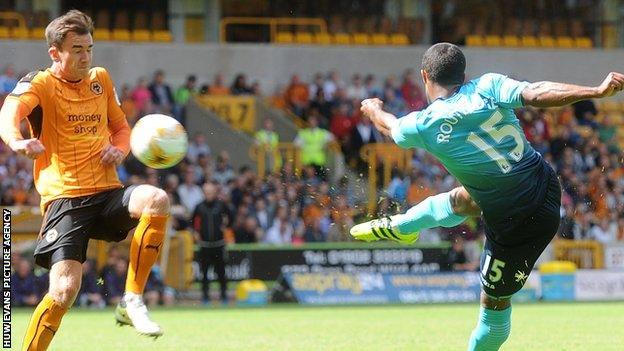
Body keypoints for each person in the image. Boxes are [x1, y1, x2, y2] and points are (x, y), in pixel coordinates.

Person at [350, 43, 624, 351]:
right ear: (463, 75)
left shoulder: (424, 124)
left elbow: (390, 126)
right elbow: (535, 92)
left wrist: (372, 108)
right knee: (467, 198)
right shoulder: (488, 85)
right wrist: (595, 91)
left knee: (492, 312)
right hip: (545, 186)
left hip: (517, 227)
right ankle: (404, 227)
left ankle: (405, 227)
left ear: (424, 75)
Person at [0, 10, 171, 348]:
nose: (85, 56)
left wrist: (120, 150)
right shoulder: (40, 83)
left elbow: (121, 128)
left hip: (107, 191)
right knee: (63, 291)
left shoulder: (100, 79)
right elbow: (10, 112)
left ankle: (132, 300)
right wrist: (16, 140)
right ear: (55, 53)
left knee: (157, 199)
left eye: (89, 48)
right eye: (77, 49)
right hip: (65, 199)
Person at [192, 182, 234, 304]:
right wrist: (196, 232)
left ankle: (224, 296)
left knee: (221, 272)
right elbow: (193, 222)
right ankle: (205, 296)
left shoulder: (221, 205)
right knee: (204, 273)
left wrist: (225, 227)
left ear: (215, 192)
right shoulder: (199, 207)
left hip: (219, 244)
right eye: (206, 192)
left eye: (210, 192)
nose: (208, 194)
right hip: (204, 245)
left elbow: (231, 217)